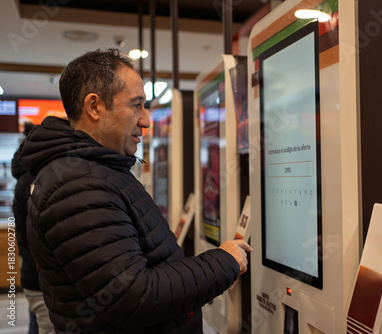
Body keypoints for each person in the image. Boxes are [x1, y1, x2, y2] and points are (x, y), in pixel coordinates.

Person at [19, 48, 252, 333]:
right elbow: (133, 296)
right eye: (136, 105)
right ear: (94, 107)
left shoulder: (95, 170)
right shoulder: (77, 185)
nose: (146, 120)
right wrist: (224, 261)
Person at [12, 121, 55, 334]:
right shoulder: (33, 181)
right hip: (39, 277)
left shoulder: (25, 178)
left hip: (31, 274)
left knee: (35, 325)